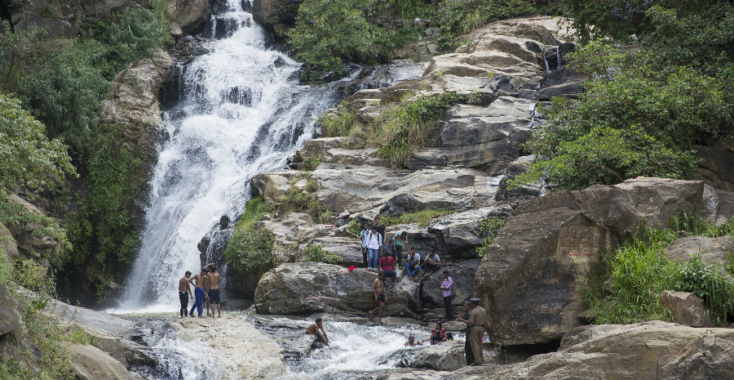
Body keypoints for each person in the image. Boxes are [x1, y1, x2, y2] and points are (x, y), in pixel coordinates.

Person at [466, 298, 487, 366]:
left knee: (475, 345)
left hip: (475, 328)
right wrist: (484, 329)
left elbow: (470, 323)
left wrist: (462, 320)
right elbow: (485, 321)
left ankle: (478, 361)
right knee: (480, 344)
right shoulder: (484, 310)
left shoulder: (473, 312)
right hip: (482, 328)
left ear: (472, 304)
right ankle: (481, 358)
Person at [455, 301, 474, 366]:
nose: (464, 308)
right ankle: (470, 361)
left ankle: (470, 362)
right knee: (468, 348)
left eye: (465, 307)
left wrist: (462, 320)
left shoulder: (470, 313)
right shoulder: (469, 312)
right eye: (463, 307)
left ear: (468, 306)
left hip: (470, 332)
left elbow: (470, 323)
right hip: (469, 332)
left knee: (468, 348)